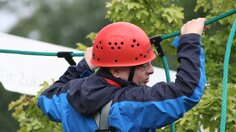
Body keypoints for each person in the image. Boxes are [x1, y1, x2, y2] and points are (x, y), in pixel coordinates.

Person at [38, 18, 206, 132]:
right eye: (142, 66)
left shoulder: (70, 96)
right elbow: (187, 91)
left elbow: (46, 97)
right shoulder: (130, 104)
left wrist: (84, 66)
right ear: (115, 70)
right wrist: (190, 40)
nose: (151, 70)